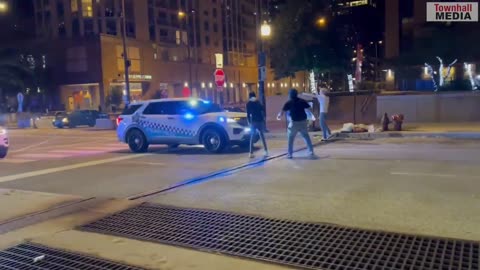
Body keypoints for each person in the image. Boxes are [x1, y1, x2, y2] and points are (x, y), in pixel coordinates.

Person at [277, 89, 316, 159]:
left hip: (294, 123)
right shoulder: (302, 101)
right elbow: (309, 109)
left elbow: (282, 112)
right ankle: (311, 151)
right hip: (303, 122)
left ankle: (290, 154)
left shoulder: (288, 102)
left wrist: (279, 116)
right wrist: (312, 116)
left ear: (290, 95)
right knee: (306, 137)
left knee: (290, 138)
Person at [246, 92, 268, 158]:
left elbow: (248, 114)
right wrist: (264, 119)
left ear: (249, 96)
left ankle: (251, 153)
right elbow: (262, 110)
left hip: (253, 122)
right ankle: (266, 151)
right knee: (262, 136)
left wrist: (249, 122)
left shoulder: (248, 104)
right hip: (260, 121)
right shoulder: (258, 102)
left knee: (252, 137)